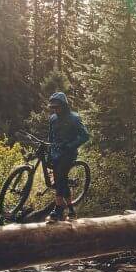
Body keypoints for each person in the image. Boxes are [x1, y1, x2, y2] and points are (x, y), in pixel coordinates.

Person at [46, 91, 89, 221]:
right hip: (56, 153)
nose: (55, 109)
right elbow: (50, 137)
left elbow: (85, 136)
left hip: (69, 154)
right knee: (61, 180)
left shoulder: (74, 118)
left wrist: (70, 145)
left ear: (64, 105)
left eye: (57, 107)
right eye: (53, 107)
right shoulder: (53, 119)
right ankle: (71, 210)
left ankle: (58, 209)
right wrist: (49, 153)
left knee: (60, 177)